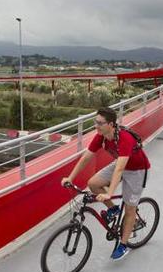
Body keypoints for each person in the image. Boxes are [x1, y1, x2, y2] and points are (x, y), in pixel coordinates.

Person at [61, 107, 151, 260]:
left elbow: (120, 169)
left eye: (100, 123)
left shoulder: (124, 138)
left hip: (137, 170)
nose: (96, 126)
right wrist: (70, 178)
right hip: (120, 164)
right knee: (93, 183)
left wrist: (109, 192)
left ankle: (123, 245)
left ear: (110, 124)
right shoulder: (101, 136)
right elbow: (85, 158)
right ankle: (114, 209)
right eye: (95, 122)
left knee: (129, 209)